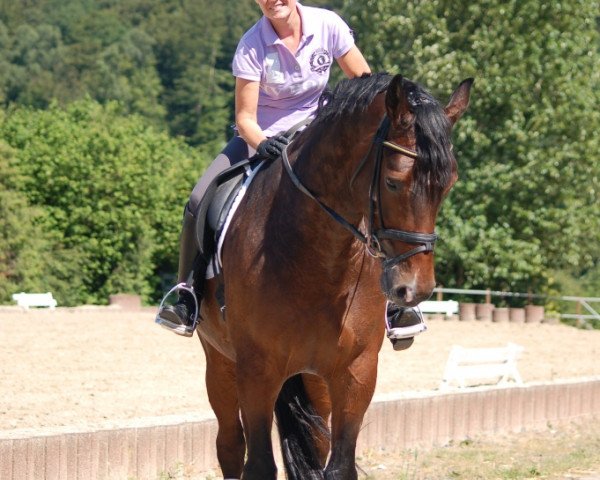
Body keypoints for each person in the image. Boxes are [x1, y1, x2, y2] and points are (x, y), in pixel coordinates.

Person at [155, 0, 423, 350]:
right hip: (264, 139)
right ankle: (187, 294)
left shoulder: (328, 25)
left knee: (374, 195)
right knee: (198, 198)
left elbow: (367, 86)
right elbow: (244, 118)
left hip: (320, 137)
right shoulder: (251, 45)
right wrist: (262, 143)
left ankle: (392, 306)